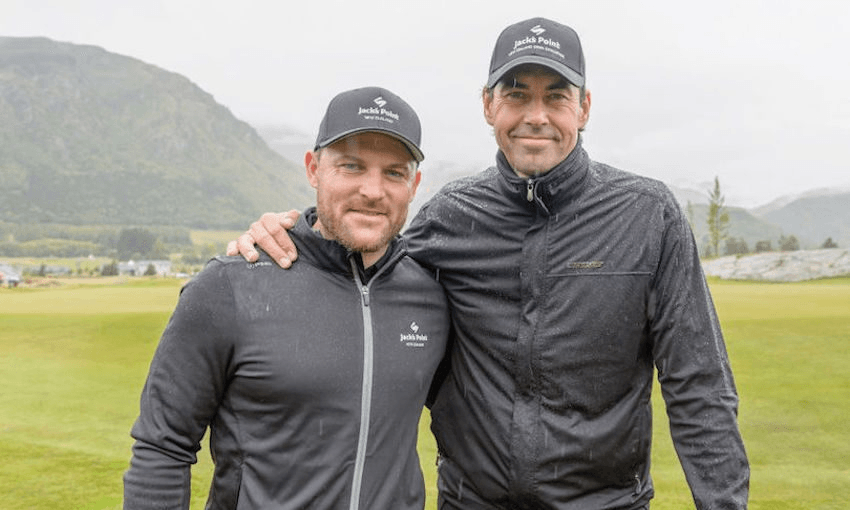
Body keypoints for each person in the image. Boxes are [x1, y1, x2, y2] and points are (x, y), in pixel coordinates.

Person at [230, 17, 750, 509]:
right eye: (517, 94)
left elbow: (699, 383)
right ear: (488, 105)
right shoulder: (449, 217)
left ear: (584, 108)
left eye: (557, 96)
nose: (536, 116)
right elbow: (360, 261)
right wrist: (292, 228)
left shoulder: (647, 215)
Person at [124, 86, 450, 510]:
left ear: (414, 184)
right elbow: (162, 447)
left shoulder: (431, 298)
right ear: (314, 169)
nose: (373, 190)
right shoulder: (229, 286)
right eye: (352, 166)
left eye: (393, 172)